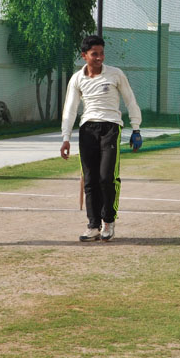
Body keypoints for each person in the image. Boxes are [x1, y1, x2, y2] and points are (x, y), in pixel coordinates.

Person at [60, 35, 143, 243]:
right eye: (94, 54)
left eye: (102, 54)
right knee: (90, 180)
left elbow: (130, 100)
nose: (99, 58)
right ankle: (93, 226)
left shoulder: (115, 74)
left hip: (110, 128)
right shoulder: (77, 79)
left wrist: (136, 128)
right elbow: (70, 109)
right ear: (84, 55)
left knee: (107, 177)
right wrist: (66, 137)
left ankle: (108, 222)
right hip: (87, 129)